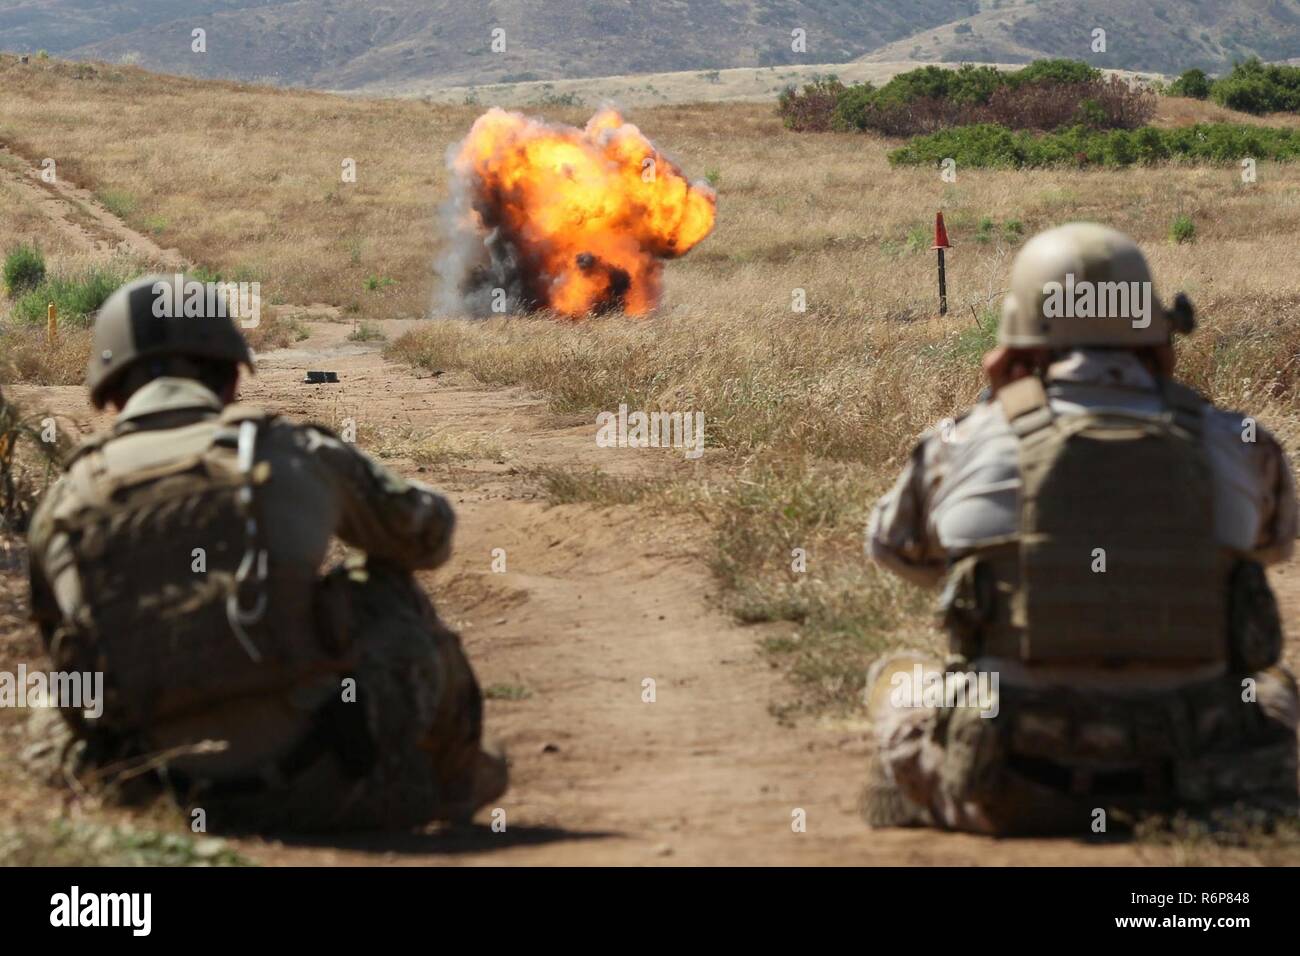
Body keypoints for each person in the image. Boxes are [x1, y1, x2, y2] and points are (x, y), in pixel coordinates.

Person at [27, 274, 506, 831]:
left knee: (54, 687)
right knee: (383, 590)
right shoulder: (288, 451)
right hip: (322, 784)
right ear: (231, 377)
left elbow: (62, 644)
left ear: (108, 392)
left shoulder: (61, 503)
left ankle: (81, 817)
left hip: (152, 800)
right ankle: (453, 781)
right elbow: (426, 537)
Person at [863, 223, 1298, 835]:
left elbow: (892, 547)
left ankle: (925, 796)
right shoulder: (1239, 441)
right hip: (1200, 772)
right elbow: (1269, 548)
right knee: (1275, 691)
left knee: (899, 683)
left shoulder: (960, 442)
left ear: (1017, 341)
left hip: (1014, 780)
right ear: (1158, 335)